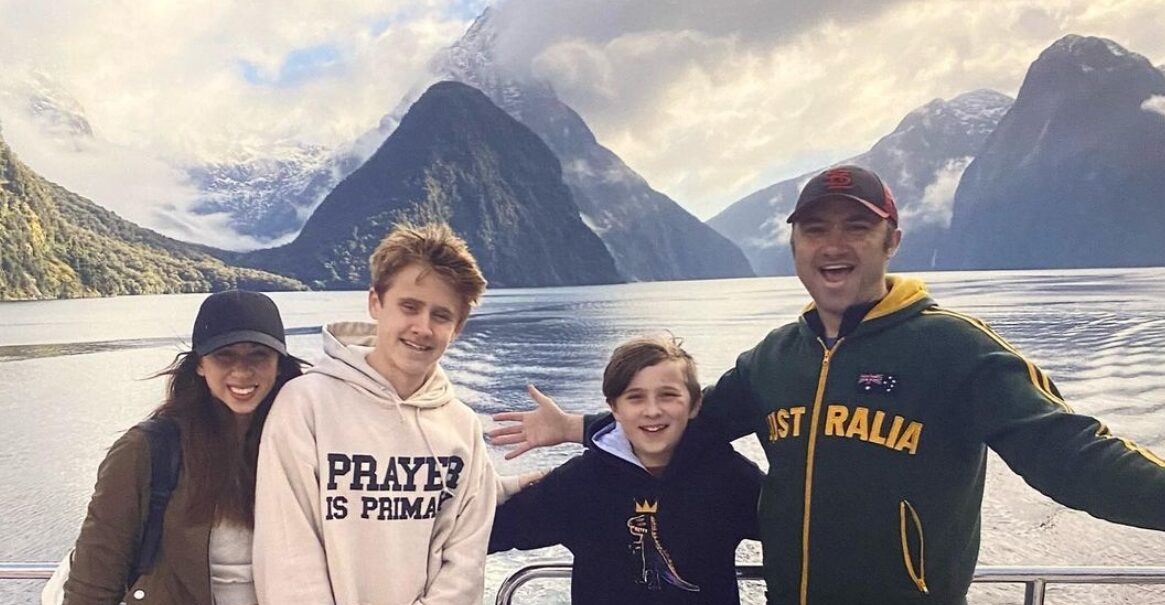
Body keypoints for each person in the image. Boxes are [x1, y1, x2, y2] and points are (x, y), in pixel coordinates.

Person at [488, 165, 1165, 605]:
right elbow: (682, 422)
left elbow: (1077, 459)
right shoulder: (775, 359)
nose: (832, 245)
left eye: (856, 227)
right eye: (815, 230)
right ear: (794, 246)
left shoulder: (957, 350)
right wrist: (578, 429)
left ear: (890, 238)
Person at [253, 222, 530, 605]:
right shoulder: (305, 404)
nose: (422, 328)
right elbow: (287, 550)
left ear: (458, 328)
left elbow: (464, 563)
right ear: (375, 304)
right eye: (409, 307)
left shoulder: (461, 426)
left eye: (441, 315)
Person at [63, 289, 306, 605]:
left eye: (258, 354)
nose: (242, 371)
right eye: (225, 355)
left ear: (279, 364)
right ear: (200, 365)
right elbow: (94, 579)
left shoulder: (302, 445)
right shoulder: (148, 450)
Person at [489, 334, 762, 604]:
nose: (652, 410)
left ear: (694, 405)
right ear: (614, 408)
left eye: (668, 395)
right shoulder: (579, 483)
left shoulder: (729, 478)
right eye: (635, 398)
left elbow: (794, 531)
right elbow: (486, 532)